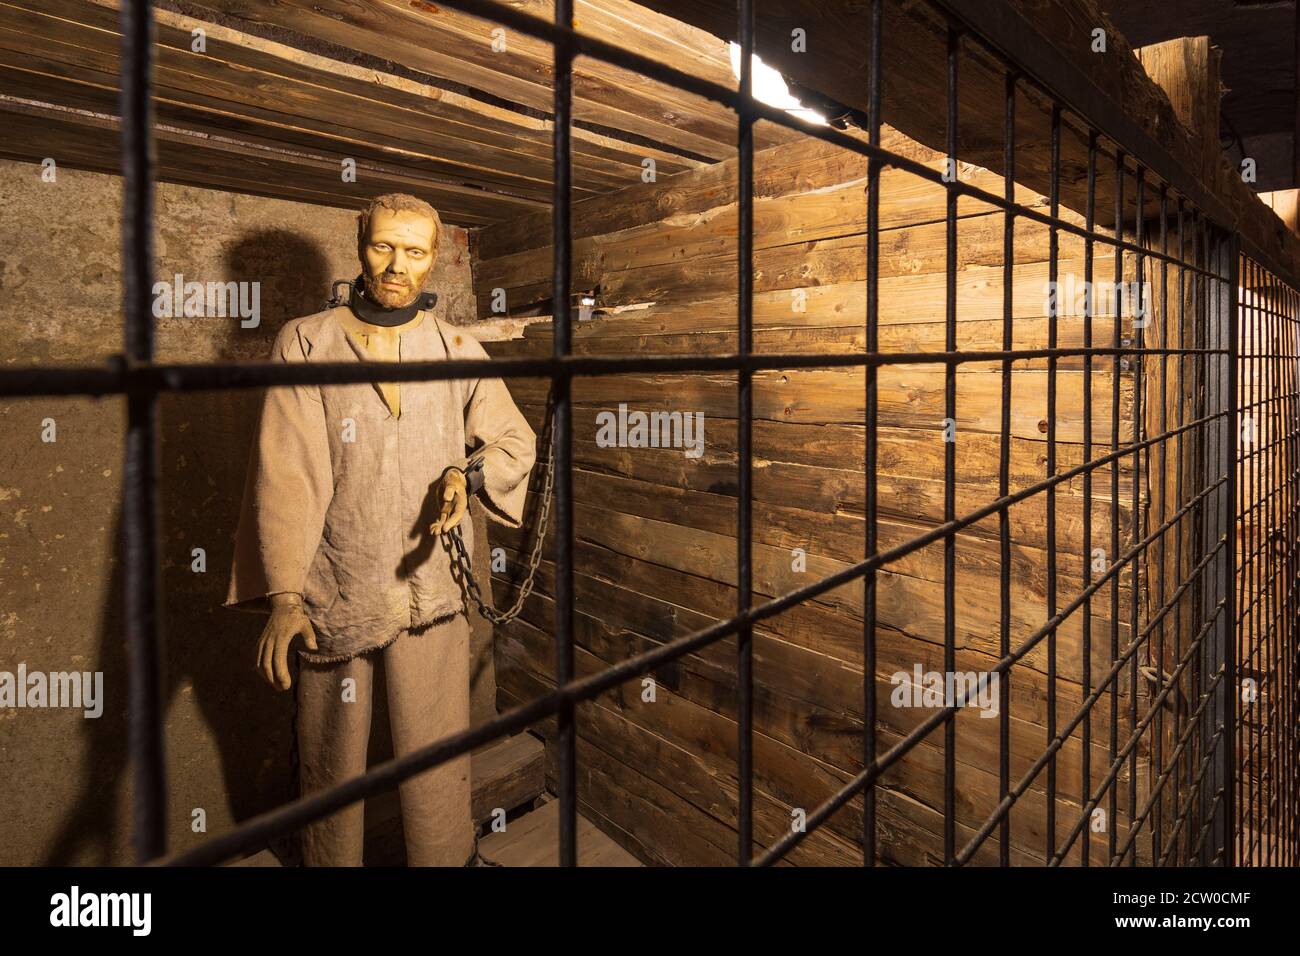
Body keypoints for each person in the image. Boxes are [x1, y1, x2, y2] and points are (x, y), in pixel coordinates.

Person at [225, 193, 537, 866]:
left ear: (433, 260)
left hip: (431, 578)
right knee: (332, 753)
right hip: (337, 577)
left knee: (436, 746)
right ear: (359, 242)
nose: (398, 265)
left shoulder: (455, 347)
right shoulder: (307, 341)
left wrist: (469, 476)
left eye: (416, 252)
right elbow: (286, 474)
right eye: (383, 247)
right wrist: (283, 596)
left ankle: (447, 860)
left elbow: (513, 439)